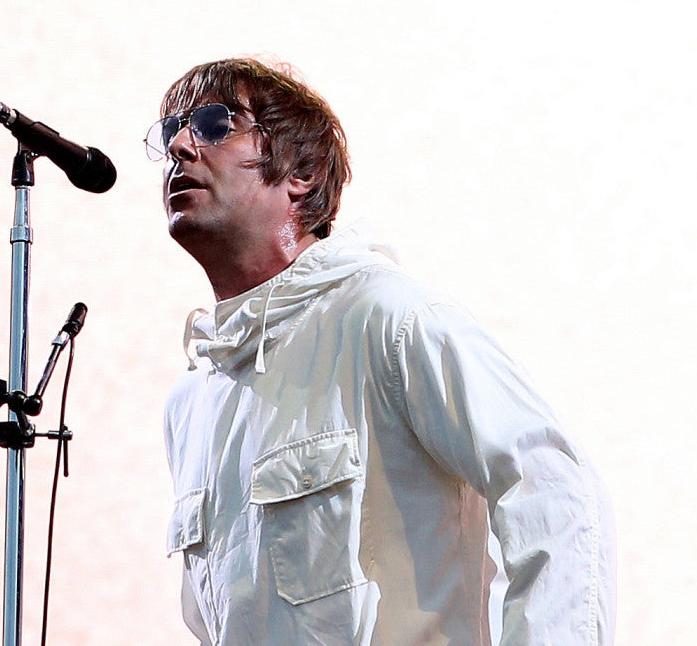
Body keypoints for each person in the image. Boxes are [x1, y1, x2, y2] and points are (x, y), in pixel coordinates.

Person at [148, 57, 616, 645]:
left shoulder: (387, 318)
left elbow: (556, 492)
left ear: (303, 173)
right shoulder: (192, 400)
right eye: (171, 135)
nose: (183, 146)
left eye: (217, 124)